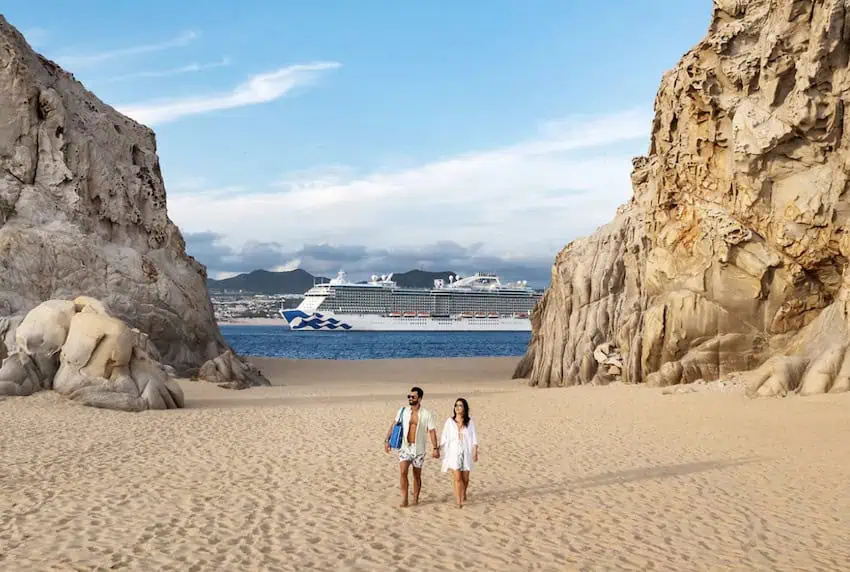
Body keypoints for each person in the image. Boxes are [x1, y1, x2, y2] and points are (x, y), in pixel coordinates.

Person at [384, 386, 439, 507]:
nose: (410, 398)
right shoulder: (403, 411)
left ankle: (416, 498)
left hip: (418, 449)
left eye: (412, 396)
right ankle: (404, 499)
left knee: (416, 475)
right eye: (409, 396)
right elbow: (393, 424)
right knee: (403, 472)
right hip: (405, 447)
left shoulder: (426, 414)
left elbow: (432, 431)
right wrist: (386, 440)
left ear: (419, 399)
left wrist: (435, 448)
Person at [439, 397, 479, 508]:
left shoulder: (470, 422)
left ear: (464, 408)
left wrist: (475, 451)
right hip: (453, 452)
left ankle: (463, 493)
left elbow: (474, 437)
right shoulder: (449, 422)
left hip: (466, 452)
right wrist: (438, 448)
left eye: (460, 405)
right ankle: (458, 500)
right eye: (456, 405)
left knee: (465, 478)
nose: (457, 407)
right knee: (457, 478)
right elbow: (444, 437)